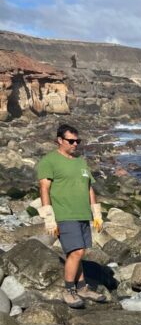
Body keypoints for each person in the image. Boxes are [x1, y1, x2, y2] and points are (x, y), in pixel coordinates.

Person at [37, 124, 105, 308]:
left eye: (78, 141)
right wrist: (49, 218)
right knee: (77, 251)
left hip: (82, 213)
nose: (75, 144)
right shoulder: (49, 161)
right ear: (60, 140)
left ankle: (82, 287)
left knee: (77, 251)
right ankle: (68, 291)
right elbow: (44, 188)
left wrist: (96, 213)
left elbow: (89, 187)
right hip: (64, 213)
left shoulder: (80, 162)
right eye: (71, 141)